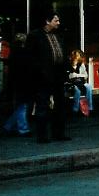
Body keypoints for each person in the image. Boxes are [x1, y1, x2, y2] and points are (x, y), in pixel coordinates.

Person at [26, 11, 69, 143]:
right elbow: (30, 57)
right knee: (42, 105)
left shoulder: (58, 35)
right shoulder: (35, 36)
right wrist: (40, 71)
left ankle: (59, 133)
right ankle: (42, 135)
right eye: (56, 20)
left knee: (60, 105)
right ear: (47, 21)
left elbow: (62, 53)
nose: (58, 23)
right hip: (43, 76)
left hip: (58, 75)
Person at [2, 33, 31, 136]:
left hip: (16, 82)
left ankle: (8, 126)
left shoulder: (13, 53)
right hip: (24, 82)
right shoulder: (25, 53)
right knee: (23, 106)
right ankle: (23, 128)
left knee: (21, 105)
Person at [67, 49, 92, 116]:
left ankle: (90, 108)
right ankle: (75, 109)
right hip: (72, 83)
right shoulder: (68, 65)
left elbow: (86, 75)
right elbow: (68, 76)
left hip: (81, 82)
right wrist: (72, 76)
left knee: (89, 87)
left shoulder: (81, 65)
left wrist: (77, 75)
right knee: (77, 91)